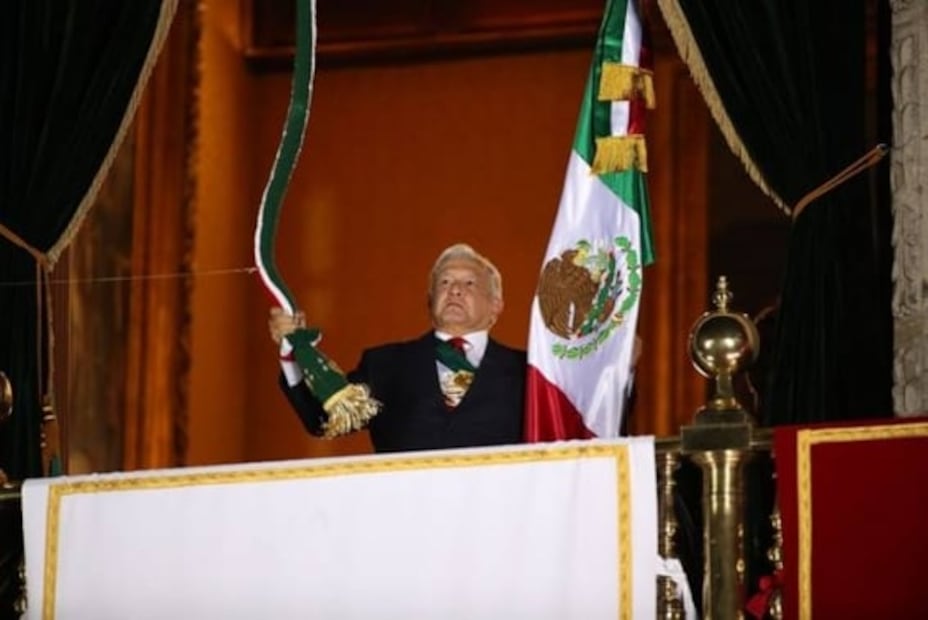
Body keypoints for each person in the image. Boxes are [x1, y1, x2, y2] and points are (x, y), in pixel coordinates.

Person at [269, 243, 525, 453]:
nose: (455, 290)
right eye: (445, 282)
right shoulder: (384, 365)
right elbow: (322, 420)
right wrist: (295, 355)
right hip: (403, 509)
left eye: (470, 283)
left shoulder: (529, 373)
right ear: (430, 300)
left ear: (496, 305)